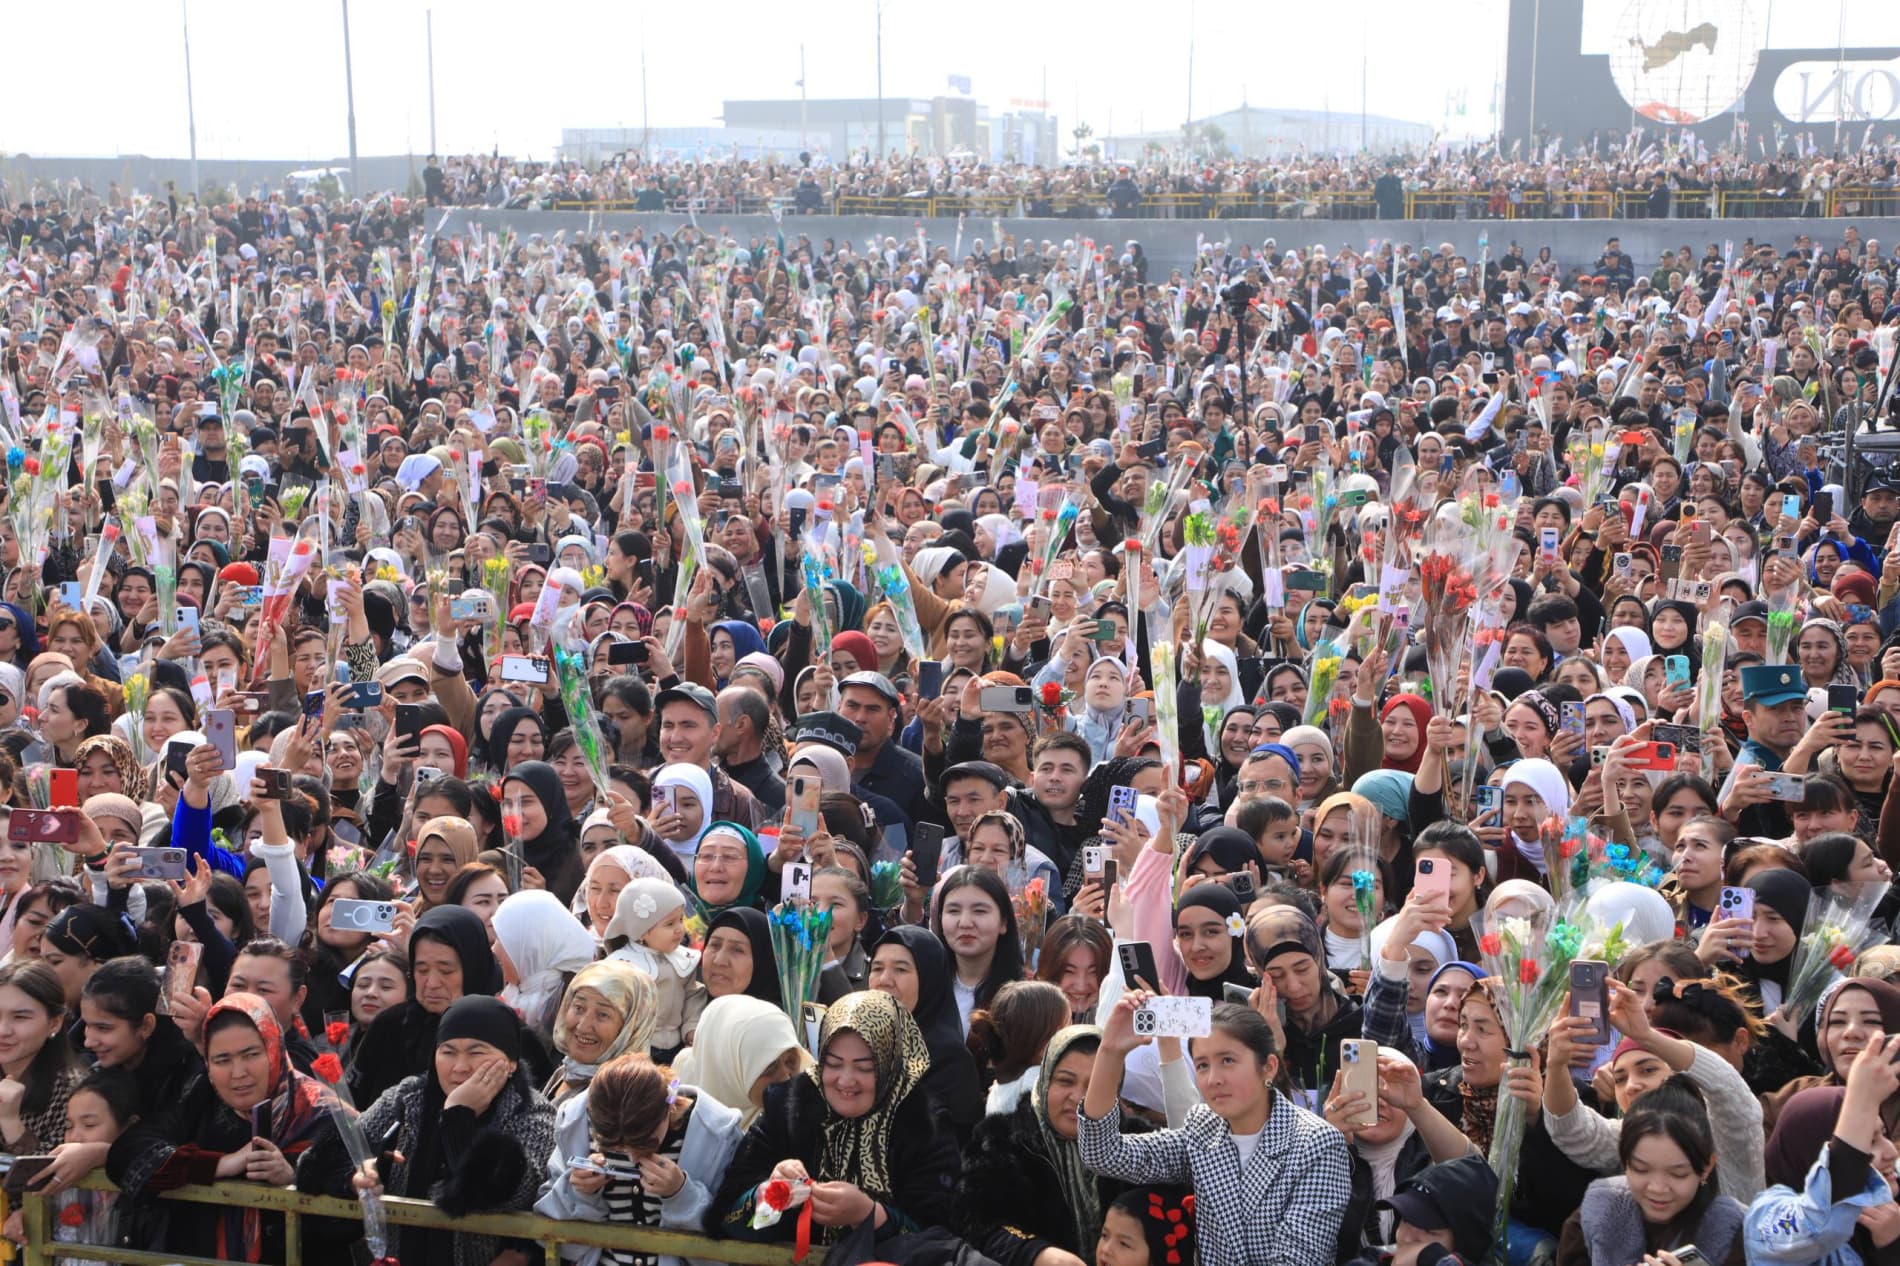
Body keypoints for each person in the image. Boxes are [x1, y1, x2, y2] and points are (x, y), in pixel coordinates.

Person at [1079, 995, 1352, 1266]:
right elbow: (1104, 1154)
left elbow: (1296, 1261)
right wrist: (1110, 1052)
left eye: (1228, 1061)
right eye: (1202, 1065)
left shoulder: (1316, 1143)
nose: (1213, 1079)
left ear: (1268, 1067)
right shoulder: (1203, 1127)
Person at [299, 996, 558, 1266]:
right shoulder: (407, 1098)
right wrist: (354, 1176)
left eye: (477, 1052)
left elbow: (510, 1193)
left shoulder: (531, 1113)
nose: (459, 1067)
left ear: (511, 1062)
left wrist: (460, 1117)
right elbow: (320, 1159)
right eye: (448, 1051)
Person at [710, 990, 959, 1246]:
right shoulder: (788, 1109)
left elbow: (942, 1238)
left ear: (890, 1064)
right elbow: (726, 1220)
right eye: (833, 1064)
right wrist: (769, 1196)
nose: (845, 1081)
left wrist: (870, 1215)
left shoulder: (924, 1123)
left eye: (864, 1067)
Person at [535, 1051, 746, 1266]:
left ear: (668, 1108)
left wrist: (681, 1194)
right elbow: (549, 1234)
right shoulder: (576, 1125)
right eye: (613, 1146)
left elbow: (730, 1237)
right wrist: (579, 1193)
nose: (632, 1156)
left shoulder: (715, 1136)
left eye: (647, 1144)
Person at [1556, 1076, 1748, 1266]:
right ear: (1625, 1161)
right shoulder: (1593, 1216)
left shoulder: (1733, 1232)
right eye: (1641, 1169)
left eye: (1677, 1174)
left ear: (1706, 1167)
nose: (1657, 1188)